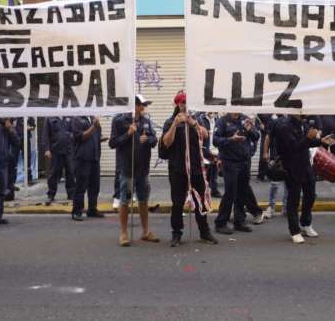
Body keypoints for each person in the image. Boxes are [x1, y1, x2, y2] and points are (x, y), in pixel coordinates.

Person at [160, 92, 218, 247]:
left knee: (201, 201)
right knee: (177, 203)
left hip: (196, 168)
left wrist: (193, 123)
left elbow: (205, 135)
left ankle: (204, 231)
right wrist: (175, 124)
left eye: (187, 102)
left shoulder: (196, 119)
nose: (185, 105)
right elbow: (166, 143)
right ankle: (176, 234)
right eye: (182, 102)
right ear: (177, 104)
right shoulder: (170, 121)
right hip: (178, 168)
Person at [275, 115, 334, 244]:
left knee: (311, 195)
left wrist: (321, 141)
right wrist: (308, 137)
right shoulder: (285, 126)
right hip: (292, 167)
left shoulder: (304, 124)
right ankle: (294, 231)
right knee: (294, 199)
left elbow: (308, 143)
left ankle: (306, 223)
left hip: (306, 164)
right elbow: (294, 147)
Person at [110, 94, 159, 247]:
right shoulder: (119, 120)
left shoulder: (146, 121)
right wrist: (128, 134)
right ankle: (124, 233)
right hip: (127, 168)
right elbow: (113, 143)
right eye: (141, 104)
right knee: (125, 200)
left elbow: (154, 140)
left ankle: (145, 231)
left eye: (144, 105)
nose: (143, 107)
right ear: (134, 105)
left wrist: (148, 140)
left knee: (143, 200)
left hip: (143, 168)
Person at [213, 112, 259, 235]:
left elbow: (256, 136)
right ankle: (221, 222)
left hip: (244, 161)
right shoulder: (222, 121)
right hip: (230, 162)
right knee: (230, 192)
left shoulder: (245, 119)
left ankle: (239, 221)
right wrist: (230, 139)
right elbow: (215, 140)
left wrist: (250, 130)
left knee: (242, 191)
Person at [71, 115, 107, 220]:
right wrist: (93, 127)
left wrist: (100, 138)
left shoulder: (92, 118)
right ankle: (77, 211)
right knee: (80, 186)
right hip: (82, 158)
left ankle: (92, 209)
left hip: (94, 158)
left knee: (94, 186)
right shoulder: (77, 119)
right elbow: (80, 137)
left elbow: (96, 136)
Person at [42, 116, 76, 204]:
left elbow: (74, 131)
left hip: (68, 150)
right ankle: (51, 194)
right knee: (54, 173)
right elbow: (45, 135)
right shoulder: (50, 118)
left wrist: (71, 136)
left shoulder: (69, 116)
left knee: (71, 172)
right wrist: (47, 149)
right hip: (55, 150)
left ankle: (71, 194)